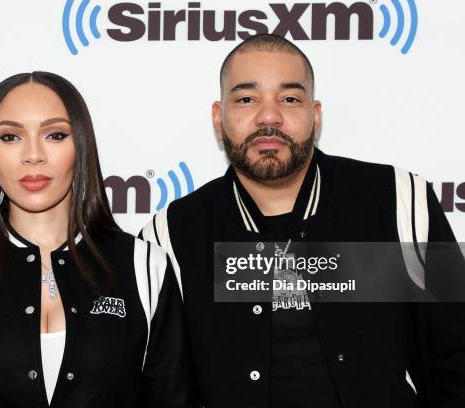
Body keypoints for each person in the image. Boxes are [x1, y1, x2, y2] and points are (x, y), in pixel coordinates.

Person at [140, 34, 465, 407]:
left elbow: (456, 353)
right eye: (247, 99)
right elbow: (162, 387)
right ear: (218, 118)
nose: (268, 116)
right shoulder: (170, 237)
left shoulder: (401, 199)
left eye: (290, 98)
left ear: (315, 115)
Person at [0, 72, 195, 408]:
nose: (33, 155)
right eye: (11, 137)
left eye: (55, 135)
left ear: (81, 148)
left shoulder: (146, 267)